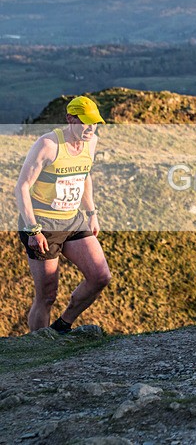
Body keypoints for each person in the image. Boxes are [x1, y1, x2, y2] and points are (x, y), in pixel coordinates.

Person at [14, 96, 111, 333]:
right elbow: (22, 187)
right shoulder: (48, 145)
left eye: (95, 122)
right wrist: (33, 229)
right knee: (47, 296)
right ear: (70, 119)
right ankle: (39, 346)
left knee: (100, 276)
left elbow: (85, 175)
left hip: (74, 219)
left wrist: (91, 213)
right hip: (43, 224)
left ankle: (62, 326)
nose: (90, 128)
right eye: (85, 122)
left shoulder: (91, 142)